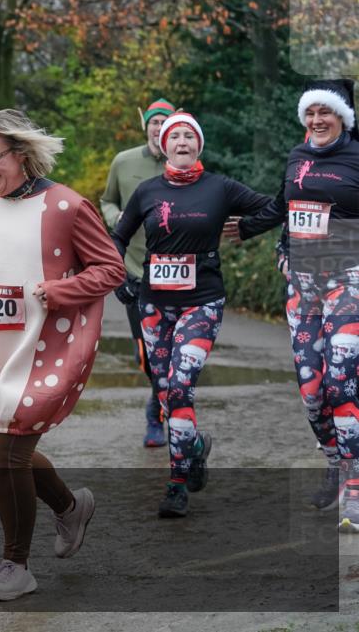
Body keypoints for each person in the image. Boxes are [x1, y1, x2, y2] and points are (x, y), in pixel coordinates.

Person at [0, 109, 125, 601]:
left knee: (8, 454)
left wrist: (60, 291)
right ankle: (69, 506)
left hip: (43, 348)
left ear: (21, 154)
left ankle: (15, 565)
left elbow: (110, 269)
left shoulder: (66, 206)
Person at [112, 113, 274, 518]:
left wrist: (250, 227)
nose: (182, 141)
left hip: (202, 300)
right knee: (166, 389)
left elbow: (277, 206)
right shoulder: (147, 191)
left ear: (198, 145)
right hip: (153, 302)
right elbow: (116, 237)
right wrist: (120, 279)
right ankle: (195, 447)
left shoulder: (220, 186)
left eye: (189, 136)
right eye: (174, 136)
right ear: (163, 146)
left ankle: (176, 484)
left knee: (182, 386)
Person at [230, 79, 359, 529]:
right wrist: (276, 246)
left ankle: (354, 482)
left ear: (343, 116)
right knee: (311, 391)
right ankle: (334, 462)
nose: (317, 120)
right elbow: (290, 209)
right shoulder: (297, 157)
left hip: (349, 281)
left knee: (343, 383)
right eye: (311, 113)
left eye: (326, 112)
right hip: (304, 287)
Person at [100, 98, 177, 447]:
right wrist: (117, 218)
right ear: (146, 125)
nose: (159, 128)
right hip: (135, 271)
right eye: (154, 122)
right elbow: (107, 200)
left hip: (178, 273)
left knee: (175, 352)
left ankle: (158, 415)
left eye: (165, 122)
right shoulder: (124, 161)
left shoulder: (185, 162)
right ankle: (159, 404)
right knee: (147, 355)